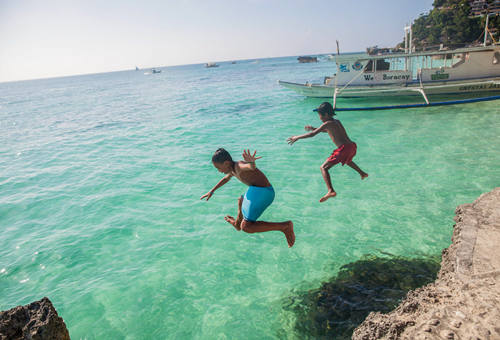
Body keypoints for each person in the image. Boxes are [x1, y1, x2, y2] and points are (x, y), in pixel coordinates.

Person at [200, 148, 295, 247]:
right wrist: (212, 190)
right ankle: (237, 224)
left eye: (218, 168)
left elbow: (250, 167)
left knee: (246, 227)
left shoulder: (239, 166)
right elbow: (225, 178)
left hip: (264, 192)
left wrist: (251, 162)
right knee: (241, 201)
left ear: (226, 163)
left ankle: (285, 226)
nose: (219, 171)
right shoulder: (232, 171)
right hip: (255, 190)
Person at [287, 102, 368, 203]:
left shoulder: (327, 124)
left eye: (320, 116)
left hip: (344, 149)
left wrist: (296, 137)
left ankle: (330, 191)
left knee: (323, 167)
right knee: (347, 160)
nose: (320, 118)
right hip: (352, 146)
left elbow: (312, 135)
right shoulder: (336, 122)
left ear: (325, 114)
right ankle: (362, 173)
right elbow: (328, 130)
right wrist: (314, 128)